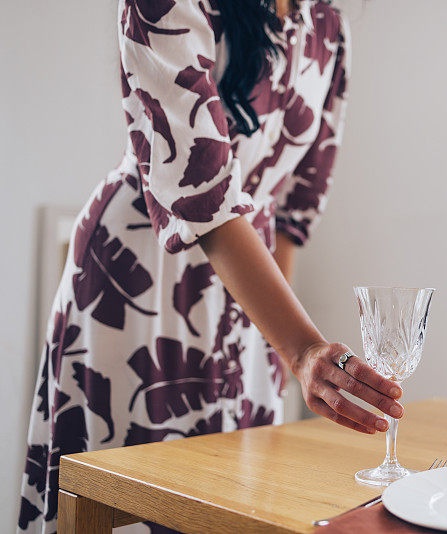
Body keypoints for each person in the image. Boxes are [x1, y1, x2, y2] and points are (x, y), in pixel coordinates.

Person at [18, 1, 402, 532]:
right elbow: (203, 195)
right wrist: (302, 349)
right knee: (127, 503)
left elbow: (292, 213)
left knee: (235, 508)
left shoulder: (328, 28)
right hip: (140, 289)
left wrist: (278, 349)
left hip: (255, 308)